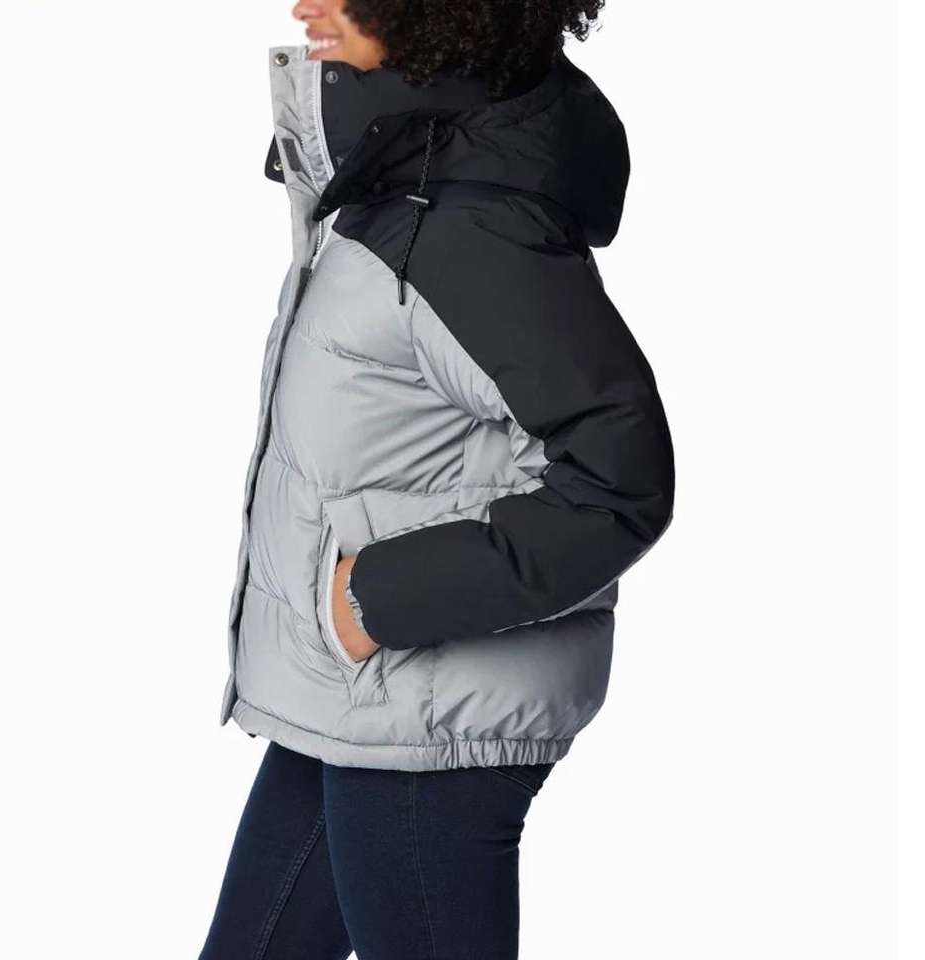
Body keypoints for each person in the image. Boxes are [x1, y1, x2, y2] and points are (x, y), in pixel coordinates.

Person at [200, 1, 675, 956]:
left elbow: (619, 476)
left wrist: (376, 598)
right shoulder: (406, 182)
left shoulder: (470, 225)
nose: (306, 5)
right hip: (355, 697)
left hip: (425, 714)